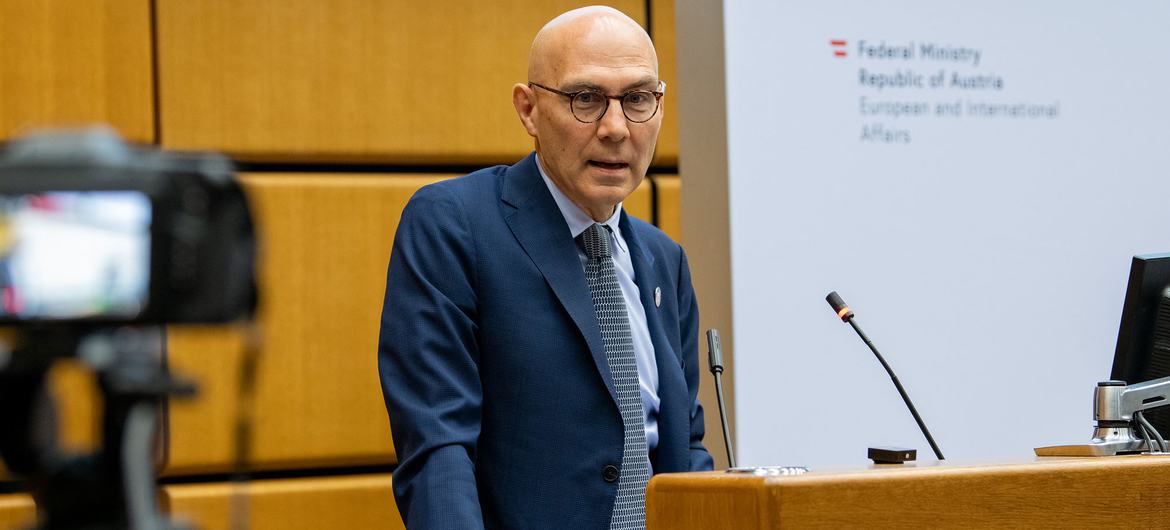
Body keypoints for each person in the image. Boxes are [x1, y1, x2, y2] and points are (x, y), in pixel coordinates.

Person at [378, 6, 713, 529]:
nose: (616, 128)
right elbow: (438, 448)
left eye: (638, 99)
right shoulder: (455, 224)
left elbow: (684, 448)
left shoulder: (664, 260)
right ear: (529, 109)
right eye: (586, 99)